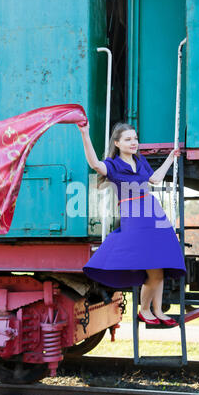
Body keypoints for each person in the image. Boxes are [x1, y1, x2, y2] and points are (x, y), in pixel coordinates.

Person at [78, 121, 186, 326]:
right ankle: (144, 310)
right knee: (154, 268)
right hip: (134, 217)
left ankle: (158, 311)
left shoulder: (140, 160)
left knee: (160, 264)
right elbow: (94, 164)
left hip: (153, 212)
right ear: (117, 143)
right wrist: (85, 133)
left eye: (135, 138)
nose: (134, 142)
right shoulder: (112, 165)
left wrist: (171, 158)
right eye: (128, 139)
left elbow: (155, 179)